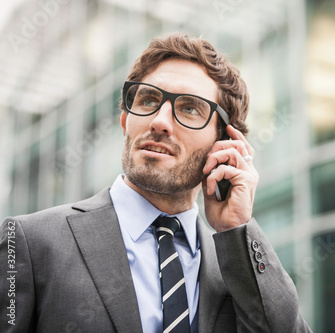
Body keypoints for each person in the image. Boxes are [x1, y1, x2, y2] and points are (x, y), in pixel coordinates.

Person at [0, 33, 311, 333]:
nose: (159, 122)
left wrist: (237, 229)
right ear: (125, 119)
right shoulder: (29, 242)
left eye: (189, 108)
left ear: (224, 142)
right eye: (148, 100)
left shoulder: (237, 264)